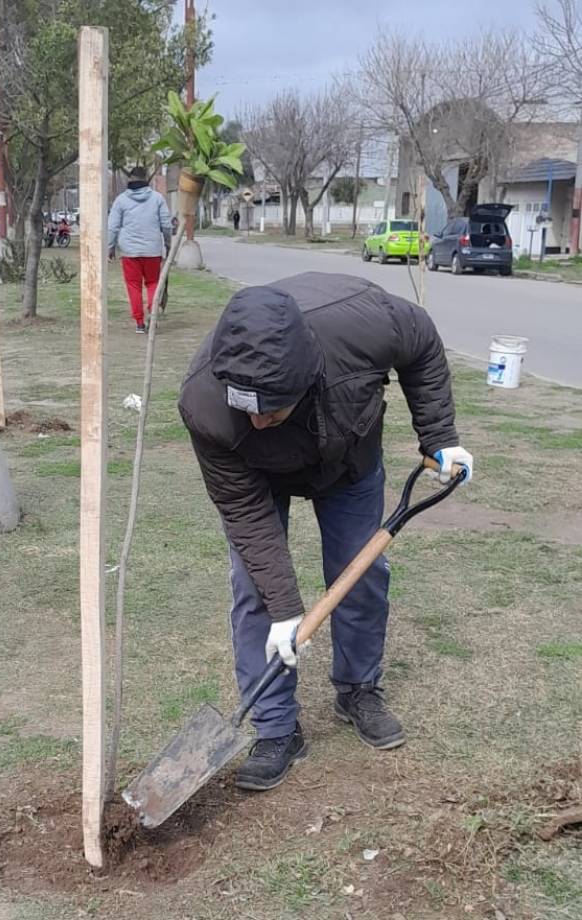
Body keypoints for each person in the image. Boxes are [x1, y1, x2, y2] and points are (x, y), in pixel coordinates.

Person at [178, 272, 473, 791]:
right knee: (257, 594)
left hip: (348, 459)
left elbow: (423, 343)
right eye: (249, 408)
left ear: (307, 377)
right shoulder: (206, 403)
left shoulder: (361, 324)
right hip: (258, 477)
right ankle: (276, 728)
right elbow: (244, 513)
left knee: (359, 576)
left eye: (273, 408)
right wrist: (288, 611)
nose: (262, 420)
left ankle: (358, 689)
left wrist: (439, 436)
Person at [107, 166, 172, 333]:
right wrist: (168, 243)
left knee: (133, 286)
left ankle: (139, 323)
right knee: (153, 283)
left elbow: (113, 227)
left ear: (130, 179)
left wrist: (110, 247)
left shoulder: (121, 200)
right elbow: (166, 225)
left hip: (130, 252)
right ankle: (153, 313)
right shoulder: (157, 199)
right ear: (146, 180)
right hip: (152, 251)